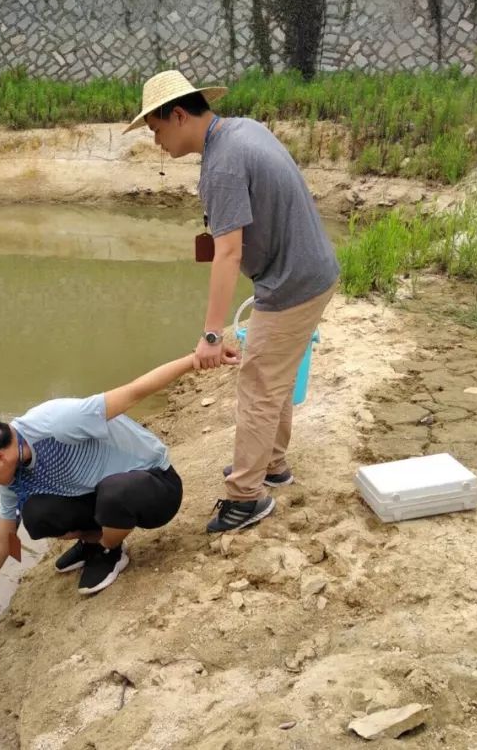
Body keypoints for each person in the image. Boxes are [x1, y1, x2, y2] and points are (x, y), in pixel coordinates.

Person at [124, 70, 340, 534]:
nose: (156, 141)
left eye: (157, 130)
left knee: (258, 386)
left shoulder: (222, 165)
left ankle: (246, 497)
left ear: (178, 115)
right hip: (310, 271)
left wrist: (210, 334)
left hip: (292, 284)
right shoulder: (242, 129)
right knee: (273, 378)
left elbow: (228, 250)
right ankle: (273, 465)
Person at [0, 353, 208, 612]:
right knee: (36, 515)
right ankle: (93, 541)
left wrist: (196, 358)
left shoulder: (57, 422)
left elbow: (135, 392)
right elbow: (3, 539)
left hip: (156, 485)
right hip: (102, 494)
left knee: (113, 492)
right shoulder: (13, 478)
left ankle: (110, 550)